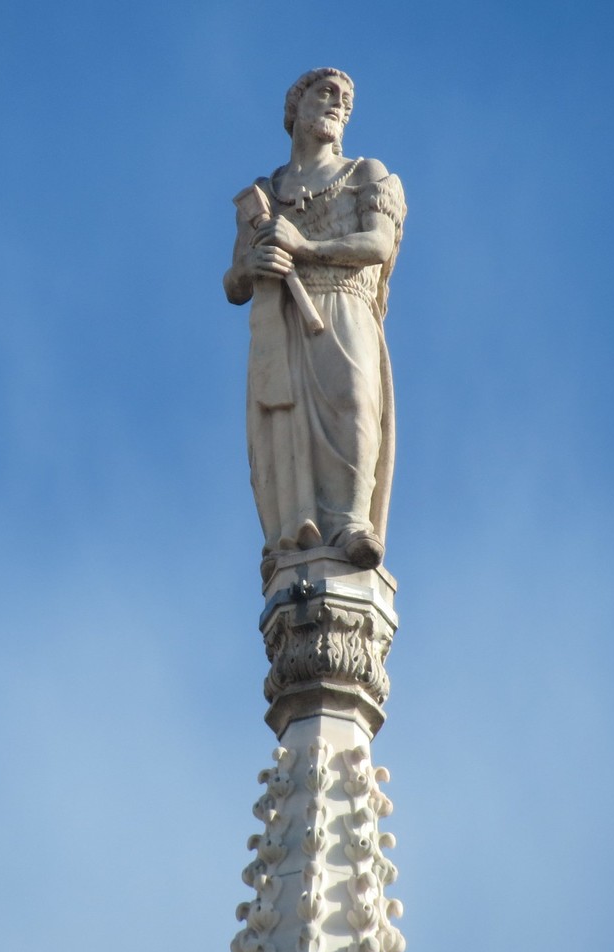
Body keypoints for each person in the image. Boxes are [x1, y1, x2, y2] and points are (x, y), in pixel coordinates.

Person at [224, 68, 406, 582]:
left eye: (345, 100)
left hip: (344, 306)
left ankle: (350, 522)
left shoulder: (365, 173)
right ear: (295, 108)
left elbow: (377, 245)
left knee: (352, 404)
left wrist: (305, 248)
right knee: (284, 423)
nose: (338, 105)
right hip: (279, 322)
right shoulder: (263, 194)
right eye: (326, 93)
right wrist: (253, 266)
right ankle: (291, 530)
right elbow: (233, 282)